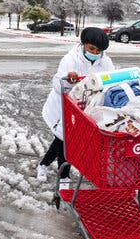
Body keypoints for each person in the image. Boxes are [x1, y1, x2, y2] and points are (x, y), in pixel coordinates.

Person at [37, 27, 115, 188]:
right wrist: (68, 80)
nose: (95, 52)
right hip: (65, 108)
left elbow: (111, 80)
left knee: (63, 141)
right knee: (65, 141)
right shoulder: (71, 59)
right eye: (91, 48)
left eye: (98, 50)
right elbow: (58, 84)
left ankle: (43, 164)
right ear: (84, 44)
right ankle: (64, 177)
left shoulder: (105, 61)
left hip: (86, 109)